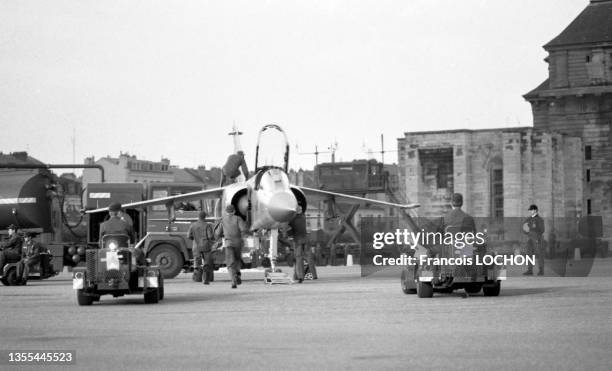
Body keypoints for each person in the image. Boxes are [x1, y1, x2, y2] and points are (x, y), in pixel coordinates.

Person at [216, 204, 247, 288]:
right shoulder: (238, 219)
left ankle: (233, 281)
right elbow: (243, 230)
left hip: (228, 243)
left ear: (226, 212)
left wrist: (222, 236)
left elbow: (218, 233)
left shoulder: (223, 220)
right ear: (234, 211)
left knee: (230, 263)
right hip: (238, 243)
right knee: (237, 260)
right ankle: (237, 274)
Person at [188, 211, 215, 285]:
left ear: (198, 217)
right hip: (206, 245)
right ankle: (206, 278)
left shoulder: (193, 225)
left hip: (196, 246)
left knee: (197, 261)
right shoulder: (207, 225)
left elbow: (188, 236)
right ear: (205, 217)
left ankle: (197, 278)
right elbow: (210, 236)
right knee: (207, 262)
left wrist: (194, 239)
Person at [523, 204, 545, 276]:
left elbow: (542, 230)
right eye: (530, 210)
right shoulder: (528, 219)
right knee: (529, 254)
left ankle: (541, 270)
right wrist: (526, 231)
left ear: (535, 210)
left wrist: (532, 230)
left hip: (537, 238)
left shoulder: (540, 219)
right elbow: (523, 228)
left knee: (539, 254)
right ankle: (530, 270)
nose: (530, 211)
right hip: (529, 239)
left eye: (531, 210)